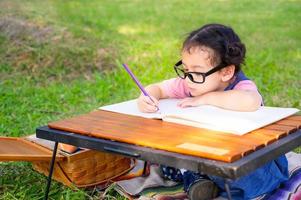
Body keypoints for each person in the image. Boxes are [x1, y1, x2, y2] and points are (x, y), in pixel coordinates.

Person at [136, 24, 288, 200]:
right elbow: (158, 88)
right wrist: (146, 97)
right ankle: (198, 180)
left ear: (226, 72)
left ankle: (199, 179)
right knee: (167, 156)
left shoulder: (241, 86)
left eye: (197, 71)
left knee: (245, 181)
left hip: (248, 159)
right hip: (206, 154)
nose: (187, 78)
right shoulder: (191, 82)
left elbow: (251, 100)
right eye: (185, 69)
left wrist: (205, 99)